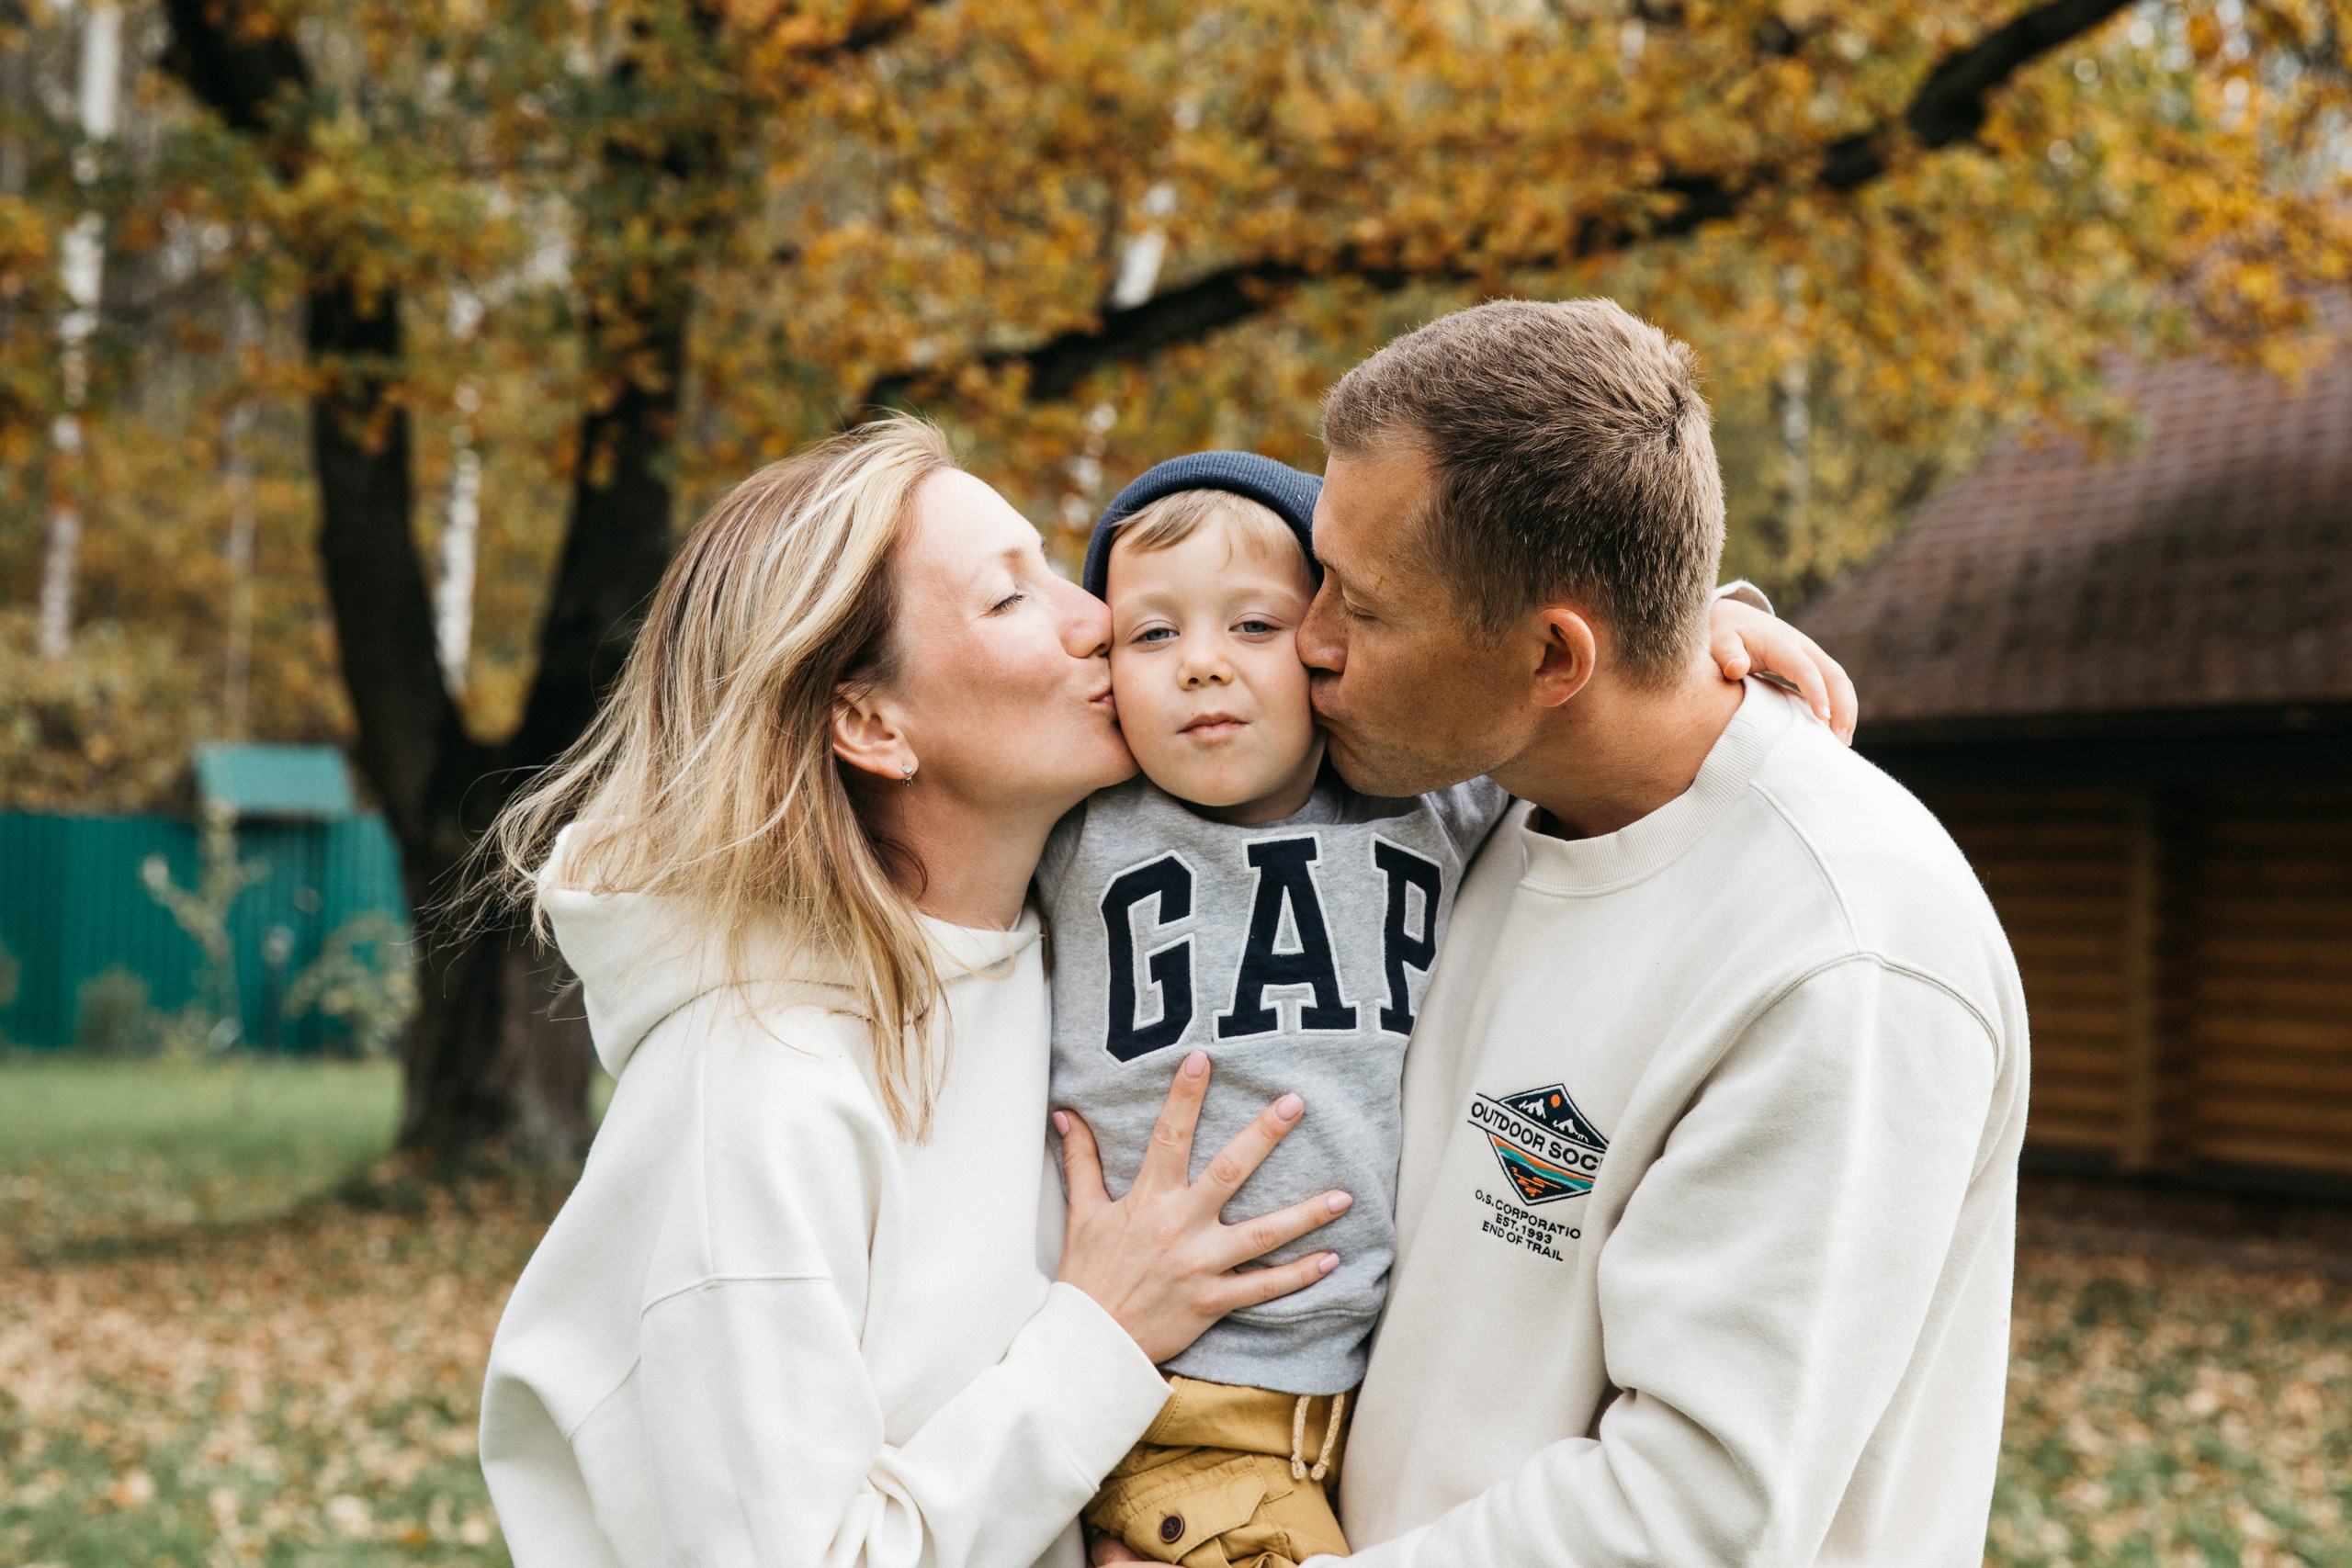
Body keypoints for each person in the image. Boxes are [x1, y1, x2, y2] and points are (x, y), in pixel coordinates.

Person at [473, 420, 1360, 1568]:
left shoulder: (1075, 971)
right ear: (870, 723)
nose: (1094, 618)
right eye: (1010, 597)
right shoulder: (747, 1095)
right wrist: (1100, 1338)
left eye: (1054, 570)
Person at [1294, 299, 2028, 1567]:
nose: (1308, 640)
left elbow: (1693, 1512)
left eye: (1361, 608)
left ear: (1553, 658)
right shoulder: (1481, 807)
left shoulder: (1844, 955)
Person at [1041, 452, 1851, 1568]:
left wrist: (1708, 623)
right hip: (1176, 1400)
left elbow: (1558, 692)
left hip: (1355, 1398)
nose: (1202, 664)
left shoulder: (1423, 806)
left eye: (1255, 626)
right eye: (1152, 634)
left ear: (1327, 648)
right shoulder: (1080, 822)